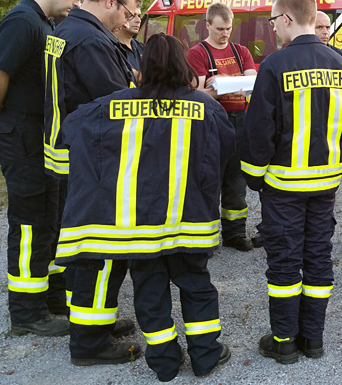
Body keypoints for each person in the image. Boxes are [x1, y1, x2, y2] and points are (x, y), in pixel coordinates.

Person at [59, 33, 234, 381]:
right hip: (190, 220)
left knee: (149, 291)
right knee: (196, 285)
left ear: (140, 69)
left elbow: (71, 127)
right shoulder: (206, 107)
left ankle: (165, 363)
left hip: (137, 227)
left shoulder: (109, 106)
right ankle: (205, 355)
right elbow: (226, 152)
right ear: (185, 68)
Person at [240, 0, 342, 364]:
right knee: (318, 256)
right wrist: (339, 164)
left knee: (284, 261)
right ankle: (314, 339)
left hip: (283, 184)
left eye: (274, 20)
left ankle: (285, 342)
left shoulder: (274, 66)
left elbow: (259, 130)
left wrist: (254, 177)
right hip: (325, 182)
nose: (273, 28)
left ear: (288, 18)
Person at [0, 0, 86, 337]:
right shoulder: (23, 21)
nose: (77, 2)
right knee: (29, 223)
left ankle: (50, 296)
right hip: (21, 133)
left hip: (41, 134)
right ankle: (26, 311)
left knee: (50, 217)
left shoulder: (47, 24)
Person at [44, 0, 143, 365]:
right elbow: (116, 106)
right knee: (99, 250)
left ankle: (91, 323)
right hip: (91, 158)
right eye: (129, 13)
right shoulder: (90, 40)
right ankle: (90, 343)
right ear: (111, 2)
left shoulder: (65, 30)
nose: (127, 22)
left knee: (81, 246)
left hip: (66, 150)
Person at [187, 3, 258, 251]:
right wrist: (221, 88)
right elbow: (197, 92)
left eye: (228, 28)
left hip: (240, 119)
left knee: (237, 179)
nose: (225, 34)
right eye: (219, 29)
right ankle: (205, 239)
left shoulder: (241, 51)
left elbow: (251, 81)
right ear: (207, 25)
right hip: (211, 122)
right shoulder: (197, 53)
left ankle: (235, 233)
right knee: (209, 179)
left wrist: (222, 81)